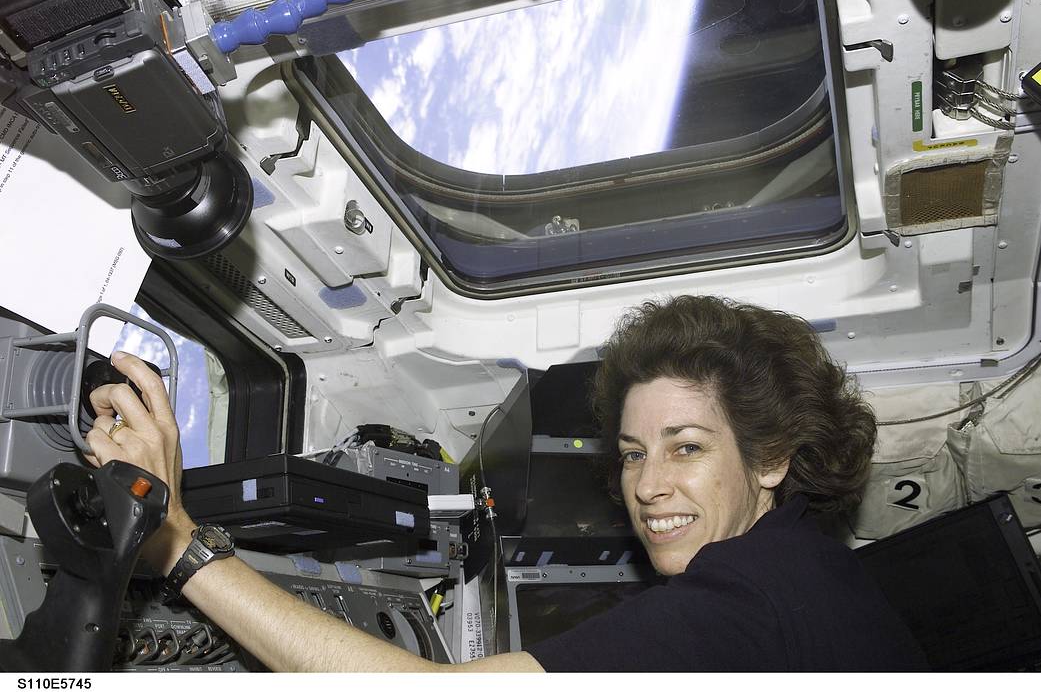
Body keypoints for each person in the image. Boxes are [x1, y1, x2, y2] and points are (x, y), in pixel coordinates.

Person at [85, 295, 928, 671]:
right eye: (634, 453)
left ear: (772, 457)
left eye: (686, 447)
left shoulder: (740, 598)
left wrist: (185, 546)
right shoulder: (810, 569)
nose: (648, 484)